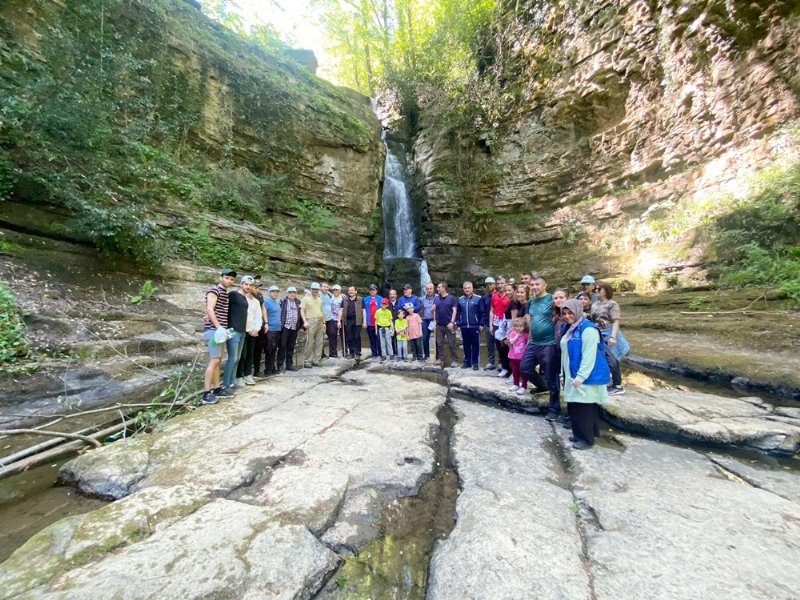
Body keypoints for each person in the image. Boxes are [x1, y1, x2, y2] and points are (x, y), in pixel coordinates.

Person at [560, 298, 610, 449]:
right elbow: (565, 353)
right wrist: (563, 375)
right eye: (564, 313)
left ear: (578, 311)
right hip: (572, 374)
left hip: (585, 376)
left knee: (583, 408)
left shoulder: (588, 329)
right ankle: (584, 434)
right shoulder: (571, 328)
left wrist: (580, 377)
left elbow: (589, 356)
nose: (567, 316)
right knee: (578, 406)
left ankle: (586, 440)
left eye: (570, 312)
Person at [521, 273, 561, 421]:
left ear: (545, 285)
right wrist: (529, 340)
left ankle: (554, 409)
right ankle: (542, 386)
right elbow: (531, 322)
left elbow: (561, 314)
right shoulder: (531, 302)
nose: (534, 287)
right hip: (534, 342)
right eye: (532, 285)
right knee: (525, 368)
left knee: (552, 376)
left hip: (549, 343)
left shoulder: (552, 299)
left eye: (537, 284)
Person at [201, 268, 236, 404]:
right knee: (214, 360)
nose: (229, 281)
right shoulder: (214, 290)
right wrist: (219, 327)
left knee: (218, 360)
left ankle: (216, 389)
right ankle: (206, 393)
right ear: (221, 277)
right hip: (214, 331)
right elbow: (210, 308)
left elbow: (212, 310)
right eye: (227, 278)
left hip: (220, 331)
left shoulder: (224, 293)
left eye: (232, 279)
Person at [591, 281, 628, 395]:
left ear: (606, 291)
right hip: (598, 333)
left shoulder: (612, 304)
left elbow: (615, 321)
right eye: (595, 289)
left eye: (599, 289)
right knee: (601, 359)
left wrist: (613, 336)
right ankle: (605, 382)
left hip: (608, 333)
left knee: (612, 360)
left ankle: (617, 385)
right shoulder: (594, 304)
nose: (596, 291)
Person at [223, 275, 250, 391]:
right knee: (232, 358)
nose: (248, 287)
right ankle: (225, 384)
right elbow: (224, 306)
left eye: (250, 285)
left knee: (238, 358)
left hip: (242, 331)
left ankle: (232, 382)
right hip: (233, 330)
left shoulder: (245, 298)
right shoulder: (233, 294)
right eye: (246, 284)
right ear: (241, 284)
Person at [235, 276, 263, 386]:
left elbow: (258, 316)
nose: (257, 289)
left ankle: (248, 374)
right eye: (254, 287)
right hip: (242, 330)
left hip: (252, 330)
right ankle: (238, 376)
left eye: (253, 286)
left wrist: (257, 328)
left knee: (250, 354)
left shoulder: (256, 302)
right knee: (242, 354)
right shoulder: (241, 298)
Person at [457, 281, 483, 370]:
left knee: (475, 345)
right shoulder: (460, 299)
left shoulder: (478, 298)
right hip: (464, 326)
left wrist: (481, 324)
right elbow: (458, 312)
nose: (467, 289)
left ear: (472, 288)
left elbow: (482, 312)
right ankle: (467, 362)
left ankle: (475, 363)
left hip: (474, 326)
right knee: (466, 345)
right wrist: (459, 322)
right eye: (465, 288)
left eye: (469, 288)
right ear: (463, 289)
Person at [278, 287, 303, 371]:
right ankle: (280, 365)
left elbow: (301, 314)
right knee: (282, 346)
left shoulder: (298, 302)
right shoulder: (283, 302)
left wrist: (301, 326)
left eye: (294, 292)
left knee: (291, 347)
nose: (292, 294)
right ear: (287, 293)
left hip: (294, 327)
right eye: (290, 292)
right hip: (285, 327)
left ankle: (289, 364)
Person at [433, 282, 458, 367]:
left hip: (449, 325)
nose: (437, 289)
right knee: (439, 343)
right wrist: (433, 310)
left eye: (439, 287)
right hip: (439, 325)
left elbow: (454, 310)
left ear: (444, 288)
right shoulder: (436, 299)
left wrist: (452, 322)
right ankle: (441, 359)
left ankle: (454, 360)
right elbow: (434, 310)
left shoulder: (451, 298)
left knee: (452, 343)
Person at [489, 279, 511, 375]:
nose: (500, 285)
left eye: (502, 283)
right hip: (497, 323)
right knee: (499, 346)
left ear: (505, 284)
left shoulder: (509, 295)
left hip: (507, 323)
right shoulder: (494, 296)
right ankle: (504, 368)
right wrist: (490, 324)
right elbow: (492, 310)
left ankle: (511, 369)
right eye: (498, 284)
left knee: (508, 346)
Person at [301, 282, 324, 368]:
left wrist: (324, 322)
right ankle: (307, 361)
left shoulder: (319, 300)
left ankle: (316, 360)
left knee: (319, 342)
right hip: (310, 321)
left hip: (320, 321)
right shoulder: (305, 299)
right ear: (311, 289)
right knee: (309, 342)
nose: (315, 291)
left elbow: (322, 312)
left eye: (317, 289)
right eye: (313, 289)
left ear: (318, 290)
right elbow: (302, 311)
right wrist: (305, 322)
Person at [262, 285, 282, 376]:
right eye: (273, 291)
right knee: (269, 349)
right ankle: (268, 369)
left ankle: (272, 367)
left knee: (274, 349)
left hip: (278, 329)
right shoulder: (266, 302)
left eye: (277, 291)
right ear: (269, 293)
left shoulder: (277, 302)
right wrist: (266, 324)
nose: (275, 293)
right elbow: (264, 314)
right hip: (270, 329)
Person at [507, 317, 529, 395]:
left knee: (523, 372)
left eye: (520, 326)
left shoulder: (526, 335)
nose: (518, 328)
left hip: (522, 357)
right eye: (516, 326)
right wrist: (517, 336)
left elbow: (527, 344)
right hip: (513, 357)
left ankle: (524, 386)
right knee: (515, 372)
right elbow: (511, 342)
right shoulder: (512, 333)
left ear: (524, 327)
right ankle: (516, 384)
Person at [340, 285, 362, 359]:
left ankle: (358, 352)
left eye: (352, 290)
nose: (350, 292)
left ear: (356, 291)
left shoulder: (360, 299)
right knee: (349, 337)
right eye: (349, 290)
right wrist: (339, 321)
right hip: (348, 320)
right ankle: (351, 352)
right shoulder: (345, 300)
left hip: (357, 320)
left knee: (357, 336)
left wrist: (365, 321)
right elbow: (341, 310)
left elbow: (364, 311)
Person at [480, 277, 497, 371]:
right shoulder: (484, 298)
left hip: (498, 323)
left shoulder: (499, 295)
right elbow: (482, 312)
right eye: (487, 284)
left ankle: (501, 363)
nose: (489, 286)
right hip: (487, 324)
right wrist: (482, 324)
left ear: (494, 284)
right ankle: (491, 362)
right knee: (490, 345)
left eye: (491, 284)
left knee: (500, 346)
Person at [362, 284, 383, 358]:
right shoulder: (365, 299)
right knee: (372, 339)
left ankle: (381, 353)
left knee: (379, 339)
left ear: (376, 290)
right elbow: (363, 311)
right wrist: (364, 322)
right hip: (369, 322)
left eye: (374, 290)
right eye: (371, 290)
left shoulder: (380, 298)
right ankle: (374, 353)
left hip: (379, 322)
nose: (372, 291)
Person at [375, 298, 395, 362]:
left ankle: (391, 354)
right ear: (380, 304)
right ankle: (383, 355)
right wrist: (376, 330)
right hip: (380, 328)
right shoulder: (378, 311)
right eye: (382, 304)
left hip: (387, 328)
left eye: (385, 304)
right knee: (382, 343)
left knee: (389, 342)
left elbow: (391, 321)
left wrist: (393, 329)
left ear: (387, 305)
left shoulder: (389, 312)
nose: (383, 305)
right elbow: (376, 321)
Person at [421, 283, 436, 361]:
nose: (429, 290)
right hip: (426, 321)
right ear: (425, 290)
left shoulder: (437, 298)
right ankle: (426, 355)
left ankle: (438, 356)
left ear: (433, 289)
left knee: (438, 339)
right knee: (425, 338)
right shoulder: (422, 299)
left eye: (430, 289)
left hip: (435, 320)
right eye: (427, 289)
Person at [328, 284, 344, 358]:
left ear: (340, 291)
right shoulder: (330, 297)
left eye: (337, 290)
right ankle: (333, 353)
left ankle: (345, 351)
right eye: (334, 290)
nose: (335, 291)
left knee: (343, 336)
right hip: (332, 319)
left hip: (341, 319)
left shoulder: (343, 298)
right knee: (332, 335)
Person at [319, 281, 334, 360]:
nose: (325, 288)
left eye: (326, 287)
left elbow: (335, 295)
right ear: (320, 287)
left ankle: (332, 353)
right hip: (322, 319)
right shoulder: (318, 294)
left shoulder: (328, 294)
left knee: (332, 334)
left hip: (330, 318)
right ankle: (321, 353)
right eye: (324, 286)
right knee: (320, 337)